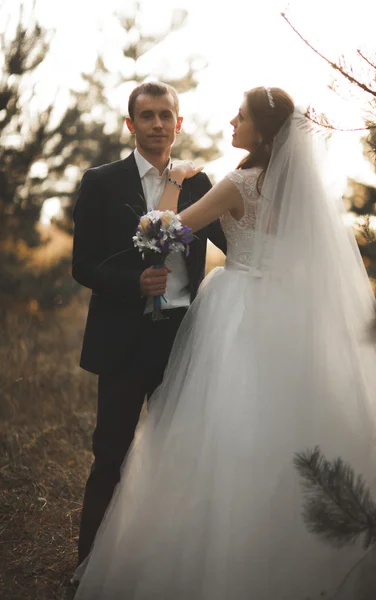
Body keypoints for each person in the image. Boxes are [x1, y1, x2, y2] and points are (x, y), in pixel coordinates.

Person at [74, 87, 376, 599]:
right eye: (147, 115)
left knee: (216, 440)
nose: (232, 120)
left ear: (263, 132)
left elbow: (163, 234)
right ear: (131, 122)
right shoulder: (294, 189)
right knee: (275, 438)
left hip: (233, 316)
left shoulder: (235, 182)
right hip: (277, 315)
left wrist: (175, 187)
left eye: (241, 116)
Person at [71, 81, 226, 567]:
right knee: (110, 454)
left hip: (182, 339)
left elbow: (236, 240)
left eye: (166, 116)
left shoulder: (201, 182)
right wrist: (132, 282)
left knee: (176, 457)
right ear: (130, 124)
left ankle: (164, 568)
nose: (157, 125)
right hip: (120, 339)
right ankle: (88, 565)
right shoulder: (101, 182)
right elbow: (83, 264)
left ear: (179, 124)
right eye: (147, 116)